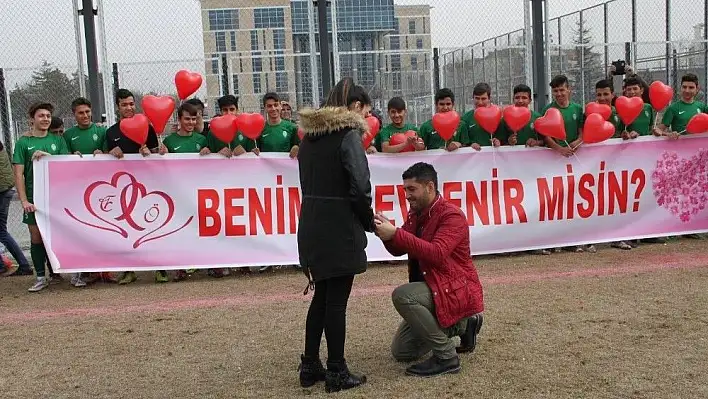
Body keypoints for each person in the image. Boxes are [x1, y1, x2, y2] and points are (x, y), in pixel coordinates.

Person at [296, 77, 373, 393]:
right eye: (366, 112)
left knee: (322, 296)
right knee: (336, 301)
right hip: (339, 224)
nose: (366, 119)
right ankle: (337, 369)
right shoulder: (348, 138)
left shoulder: (309, 139)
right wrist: (368, 221)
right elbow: (360, 187)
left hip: (312, 222)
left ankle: (311, 364)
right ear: (354, 107)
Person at [373, 162, 484, 377]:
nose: (407, 195)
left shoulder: (452, 216)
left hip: (453, 290)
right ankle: (465, 325)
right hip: (436, 289)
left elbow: (437, 253)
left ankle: (446, 357)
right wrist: (383, 232)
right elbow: (399, 249)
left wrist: (395, 233)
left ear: (430, 187)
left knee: (403, 295)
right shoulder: (417, 214)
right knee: (402, 351)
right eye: (405, 190)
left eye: (412, 189)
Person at [105, 89, 169, 284]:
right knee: (125, 228)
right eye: (124, 104)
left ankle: (160, 268)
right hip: (124, 188)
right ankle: (128, 269)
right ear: (118, 107)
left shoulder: (147, 128)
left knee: (154, 225)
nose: (129, 108)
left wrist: (158, 151)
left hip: (148, 184)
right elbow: (105, 157)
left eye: (131, 104)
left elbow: (157, 152)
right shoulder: (111, 132)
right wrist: (110, 152)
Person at [13, 102, 70, 292]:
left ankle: (65, 271)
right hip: (33, 200)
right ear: (32, 119)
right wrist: (24, 200)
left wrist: (47, 156)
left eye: (48, 116)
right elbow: (18, 174)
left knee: (59, 236)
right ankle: (39, 276)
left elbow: (65, 166)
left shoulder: (58, 141)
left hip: (55, 198)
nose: (45, 119)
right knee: (36, 237)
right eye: (41, 116)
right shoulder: (23, 143)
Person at [64, 96, 112, 286]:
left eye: (87, 112)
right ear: (74, 114)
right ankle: (87, 270)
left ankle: (106, 270)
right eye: (80, 113)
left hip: (102, 187)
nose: (85, 116)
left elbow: (111, 154)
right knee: (83, 229)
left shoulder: (101, 131)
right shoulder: (68, 135)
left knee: (105, 229)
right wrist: (69, 157)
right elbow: (61, 159)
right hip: (78, 189)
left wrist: (104, 154)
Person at [542, 75, 587, 253]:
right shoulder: (548, 109)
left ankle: (573, 239)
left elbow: (582, 132)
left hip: (574, 160)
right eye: (555, 91)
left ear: (569, 90)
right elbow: (546, 135)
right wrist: (559, 149)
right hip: (554, 162)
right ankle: (554, 239)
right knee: (555, 200)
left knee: (574, 199)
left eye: (562, 90)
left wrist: (578, 142)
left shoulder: (577, 108)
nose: (559, 94)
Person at [0, 141, 32, 276]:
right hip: (4, 189)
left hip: (2, 190)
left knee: (1, 231)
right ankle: (2, 265)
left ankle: (24, 265)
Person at [654, 73, 707, 139]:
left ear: (697, 89)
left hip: (699, 147)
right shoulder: (673, 108)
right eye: (684, 87)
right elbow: (658, 130)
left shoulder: (702, 106)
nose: (687, 90)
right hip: (679, 147)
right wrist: (669, 134)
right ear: (680, 88)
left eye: (691, 87)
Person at [460, 83, 506, 149]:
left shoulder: (498, 116)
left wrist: (498, 141)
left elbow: (504, 140)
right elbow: (463, 142)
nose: (480, 102)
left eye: (483, 99)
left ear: (489, 99)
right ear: (473, 98)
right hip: (474, 158)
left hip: (494, 157)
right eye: (477, 98)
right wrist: (471, 145)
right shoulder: (465, 118)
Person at [254, 92, 300, 158]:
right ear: (265, 108)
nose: (273, 108)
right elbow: (255, 150)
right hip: (265, 167)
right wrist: (254, 152)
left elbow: (299, 146)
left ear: (280, 106)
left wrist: (297, 147)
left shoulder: (292, 127)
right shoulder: (260, 129)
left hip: (286, 167)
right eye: (269, 106)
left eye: (276, 105)